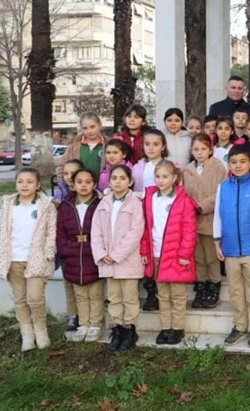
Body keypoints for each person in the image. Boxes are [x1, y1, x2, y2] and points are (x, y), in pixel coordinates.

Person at [214, 145, 250, 347]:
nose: (238, 166)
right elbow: (218, 216)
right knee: (235, 290)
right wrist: (217, 242)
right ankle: (239, 326)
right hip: (230, 249)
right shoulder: (223, 187)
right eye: (233, 162)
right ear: (228, 164)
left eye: (242, 162)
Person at [0, 168, 57, 351]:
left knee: (35, 298)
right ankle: (27, 334)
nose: (25, 185)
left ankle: (41, 331)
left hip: (36, 259)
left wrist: (48, 253)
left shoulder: (46, 206)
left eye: (29, 182)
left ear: (37, 185)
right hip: (13, 260)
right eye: (20, 181)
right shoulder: (9, 205)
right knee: (20, 299)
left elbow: (51, 232)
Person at [140, 160, 198, 346]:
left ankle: (178, 328)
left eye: (165, 176)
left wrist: (184, 254)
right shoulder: (150, 198)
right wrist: (145, 251)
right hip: (156, 253)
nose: (161, 180)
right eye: (158, 176)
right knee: (162, 294)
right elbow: (146, 228)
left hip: (176, 255)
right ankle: (165, 327)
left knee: (178, 295)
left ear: (174, 178)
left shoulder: (183, 201)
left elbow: (190, 230)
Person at [91, 165, 145, 353]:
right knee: (114, 297)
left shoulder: (135, 203)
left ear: (130, 182)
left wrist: (116, 255)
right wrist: (102, 253)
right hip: (108, 262)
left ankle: (130, 329)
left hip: (126, 260)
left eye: (123, 178)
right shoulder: (104, 203)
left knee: (129, 297)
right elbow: (95, 230)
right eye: (114, 178)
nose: (118, 181)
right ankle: (117, 328)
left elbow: (135, 232)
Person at [56, 168, 103, 343]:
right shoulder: (66, 206)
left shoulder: (100, 204)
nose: (84, 185)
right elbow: (60, 232)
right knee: (80, 293)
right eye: (79, 182)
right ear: (73, 185)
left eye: (88, 182)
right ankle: (84, 323)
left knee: (95, 292)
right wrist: (65, 250)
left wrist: (100, 250)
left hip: (93, 251)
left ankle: (95, 324)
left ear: (95, 184)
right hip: (73, 253)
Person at [183, 134, 227, 309]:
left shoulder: (218, 167)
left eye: (203, 149)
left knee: (211, 255)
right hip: (192, 220)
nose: (199, 153)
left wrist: (201, 207)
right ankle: (201, 285)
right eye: (196, 149)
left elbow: (220, 192)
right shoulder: (187, 170)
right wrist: (189, 209)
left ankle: (214, 285)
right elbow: (184, 193)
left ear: (211, 150)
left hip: (210, 218)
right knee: (198, 256)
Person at [131, 129, 169, 312]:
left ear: (163, 146)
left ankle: (161, 291)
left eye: (156, 144)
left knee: (158, 251)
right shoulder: (138, 167)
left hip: (159, 214)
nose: (151, 148)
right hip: (140, 213)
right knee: (144, 251)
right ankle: (150, 290)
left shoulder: (169, 166)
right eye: (147, 144)